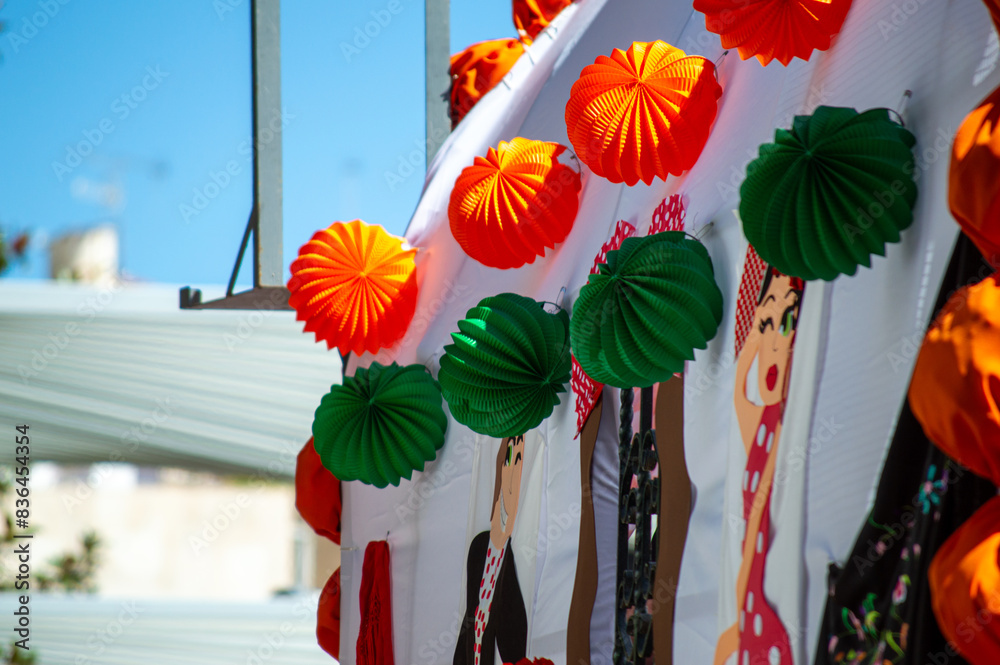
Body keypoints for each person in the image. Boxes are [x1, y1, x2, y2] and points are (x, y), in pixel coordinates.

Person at [715, 267, 804, 665]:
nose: (772, 342)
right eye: (765, 322)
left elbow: (754, 534)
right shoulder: (761, 420)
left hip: (759, 596)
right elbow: (740, 394)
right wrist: (757, 334)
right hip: (749, 597)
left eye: (787, 322)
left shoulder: (787, 420)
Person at [454, 435, 528, 665]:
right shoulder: (480, 547)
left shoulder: (515, 554)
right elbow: (469, 624)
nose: (511, 476)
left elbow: (515, 646)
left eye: (518, 461)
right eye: (508, 461)